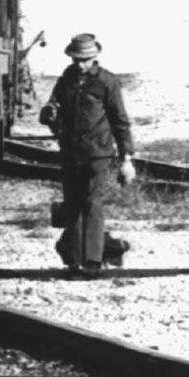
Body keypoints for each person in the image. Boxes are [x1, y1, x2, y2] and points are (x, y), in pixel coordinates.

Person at [38, 33, 135, 274]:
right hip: (70, 151)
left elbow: (120, 121)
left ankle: (92, 262)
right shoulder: (66, 79)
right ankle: (73, 259)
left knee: (92, 203)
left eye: (85, 59)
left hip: (98, 153)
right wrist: (49, 113)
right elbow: (54, 105)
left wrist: (127, 159)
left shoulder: (107, 82)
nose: (80, 64)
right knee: (73, 204)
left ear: (95, 57)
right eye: (76, 59)